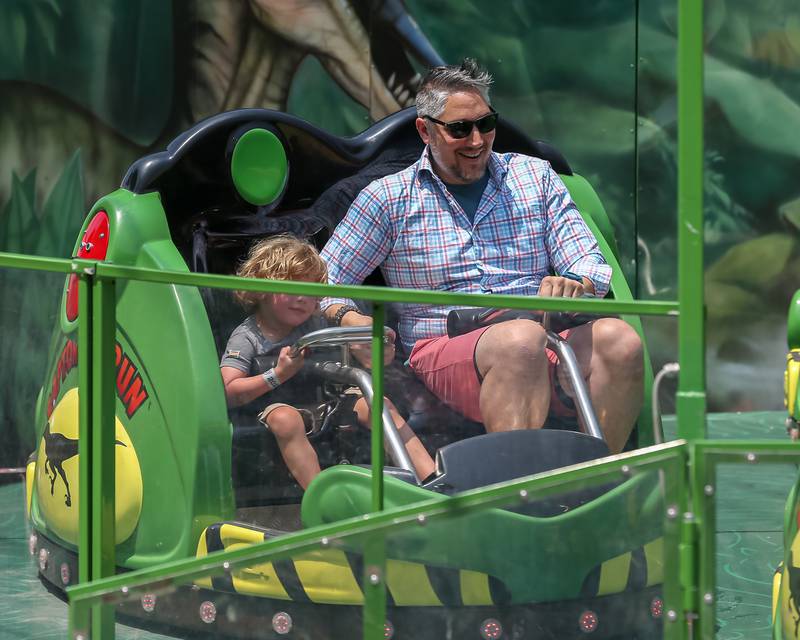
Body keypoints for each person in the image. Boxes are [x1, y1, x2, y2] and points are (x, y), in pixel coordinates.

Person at [320, 59, 643, 454]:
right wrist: (351, 319)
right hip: (444, 347)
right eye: (459, 129)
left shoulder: (535, 176)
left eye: (486, 124)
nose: (476, 141)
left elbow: (588, 261)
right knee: (520, 341)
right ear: (425, 131)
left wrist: (576, 282)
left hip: (541, 333)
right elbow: (325, 281)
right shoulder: (387, 198)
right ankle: (519, 482)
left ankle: (600, 476)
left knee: (620, 340)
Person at [220, 235, 435, 489]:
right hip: (276, 405)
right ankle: (321, 495)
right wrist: (277, 375)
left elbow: (358, 349)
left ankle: (431, 480)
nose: (302, 298)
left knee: (379, 404)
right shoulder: (247, 337)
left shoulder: (319, 324)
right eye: (291, 287)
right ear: (262, 289)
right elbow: (228, 392)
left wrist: (376, 346)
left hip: (327, 400)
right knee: (286, 420)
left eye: (310, 290)